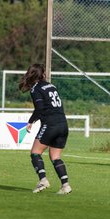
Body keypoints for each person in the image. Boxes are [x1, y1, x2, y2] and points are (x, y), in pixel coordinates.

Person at [19, 63, 72, 194]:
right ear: (42, 74)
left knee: (35, 152)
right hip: (63, 124)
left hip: (51, 124)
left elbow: (40, 108)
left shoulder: (36, 89)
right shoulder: (51, 86)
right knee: (55, 157)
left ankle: (43, 180)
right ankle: (65, 185)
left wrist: (31, 121)